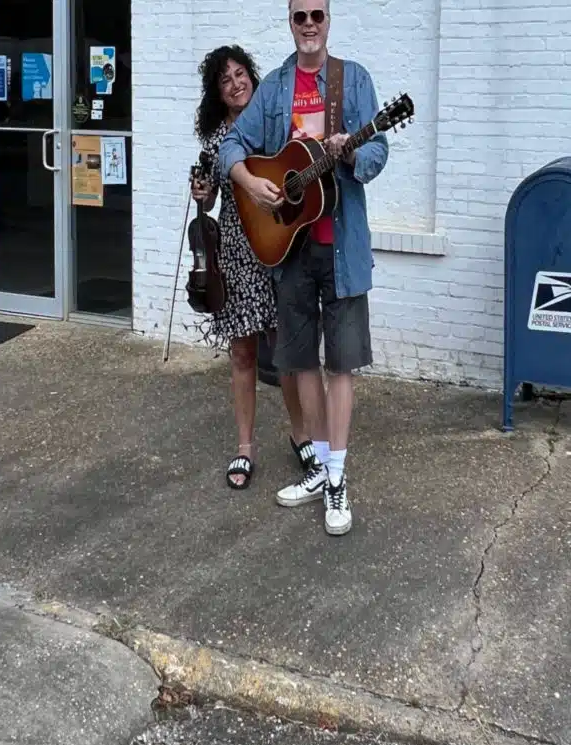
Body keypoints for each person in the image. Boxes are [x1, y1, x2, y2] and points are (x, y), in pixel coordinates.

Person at [218, 0, 388, 535]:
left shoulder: (352, 80)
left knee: (341, 364)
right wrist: (250, 183)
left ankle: (335, 476)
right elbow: (231, 145)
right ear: (290, 23)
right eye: (300, 16)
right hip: (290, 248)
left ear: (328, 20)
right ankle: (318, 464)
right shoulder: (274, 87)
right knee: (300, 363)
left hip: (341, 247)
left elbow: (378, 151)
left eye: (317, 14)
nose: (309, 24)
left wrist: (351, 153)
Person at [191, 45, 314, 491]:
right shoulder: (215, 141)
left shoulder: (273, 124)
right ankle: (245, 447)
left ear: (252, 77)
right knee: (243, 353)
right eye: (225, 80)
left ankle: (301, 435)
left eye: (240, 74)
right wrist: (202, 194)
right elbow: (209, 197)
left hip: (280, 248)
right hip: (238, 256)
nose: (236, 84)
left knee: (286, 354)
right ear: (217, 92)